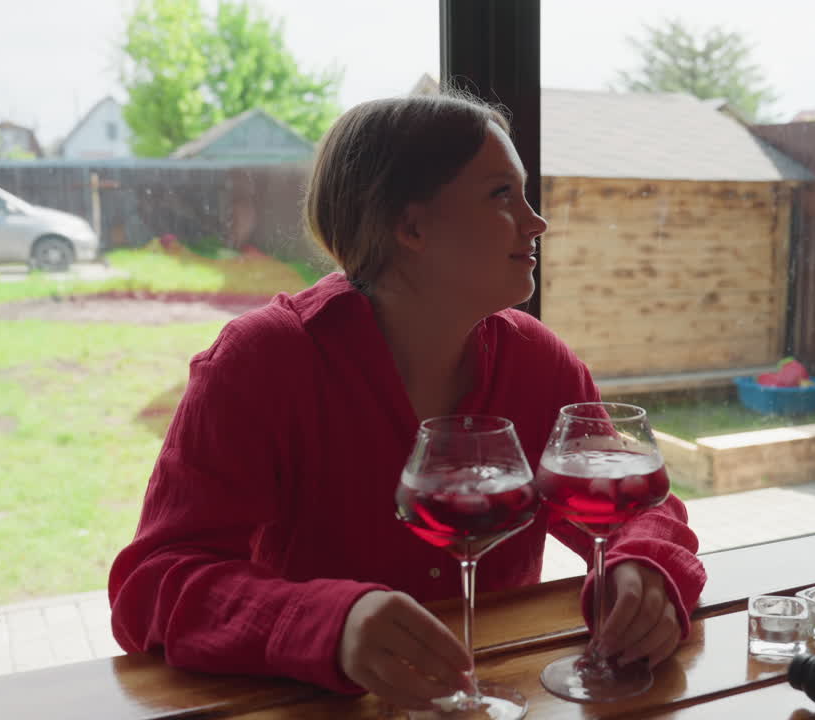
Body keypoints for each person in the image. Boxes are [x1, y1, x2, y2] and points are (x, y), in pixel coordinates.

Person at [108, 93, 707, 711]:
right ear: (412, 227)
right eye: (501, 195)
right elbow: (154, 584)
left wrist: (642, 567)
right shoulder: (262, 362)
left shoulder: (541, 364)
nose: (536, 223)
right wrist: (333, 622)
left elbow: (635, 504)